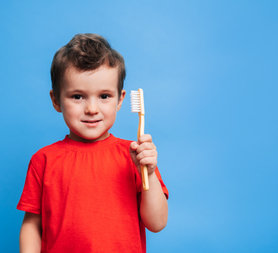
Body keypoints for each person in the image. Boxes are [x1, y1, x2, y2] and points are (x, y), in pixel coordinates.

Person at [17, 33, 169, 253]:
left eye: (104, 96)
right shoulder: (43, 160)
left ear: (120, 99)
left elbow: (157, 223)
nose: (92, 109)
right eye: (78, 96)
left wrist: (150, 174)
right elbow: (32, 225)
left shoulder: (134, 155)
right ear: (56, 100)